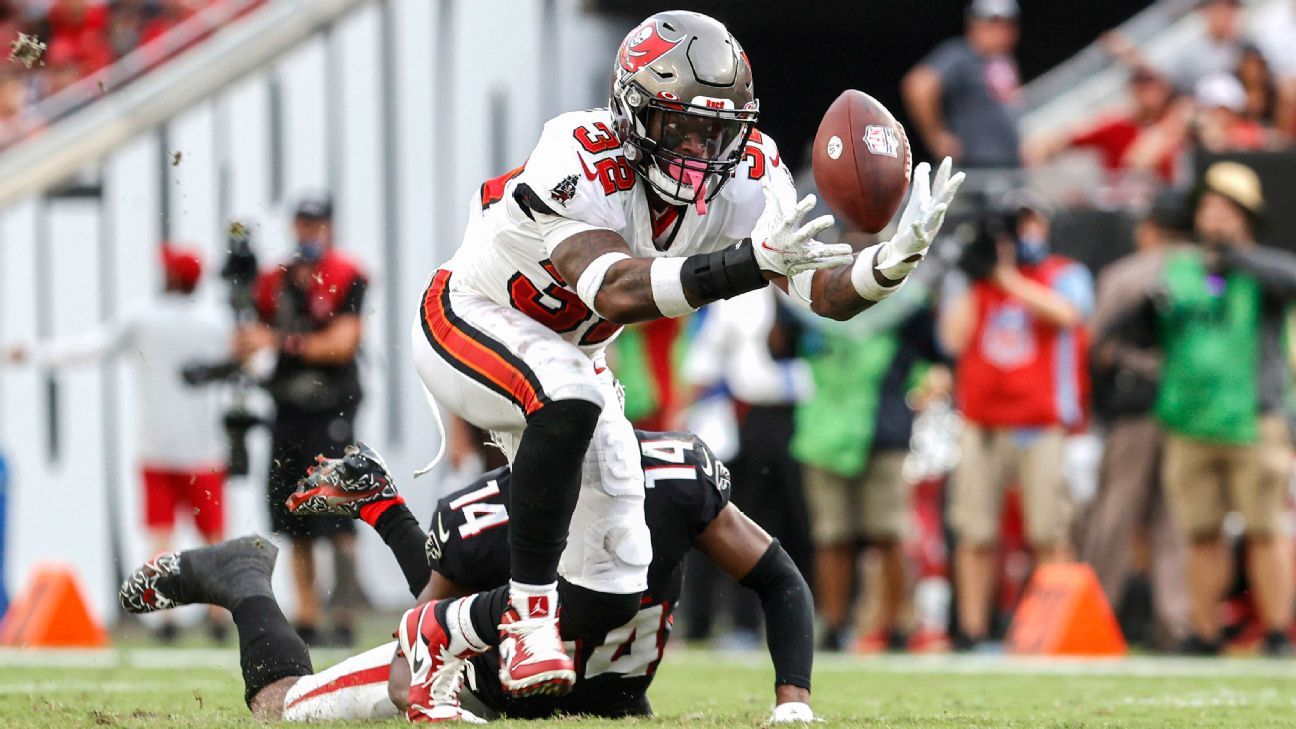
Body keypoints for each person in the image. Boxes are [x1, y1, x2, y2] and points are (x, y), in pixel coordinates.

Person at [410, 8, 962, 702]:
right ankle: (526, 608)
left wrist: (886, 266)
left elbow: (816, 291)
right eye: (682, 126)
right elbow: (614, 290)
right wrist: (746, 261)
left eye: (717, 131)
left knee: (617, 580)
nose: (700, 149)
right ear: (631, 110)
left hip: (573, 359)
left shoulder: (749, 175)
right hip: (470, 318)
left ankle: (435, 633)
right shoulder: (576, 150)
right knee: (568, 393)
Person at [116, 429, 818, 723]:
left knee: (473, 584)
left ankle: (382, 504)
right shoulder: (485, 514)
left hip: (601, 698)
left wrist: (793, 701)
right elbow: (409, 656)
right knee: (281, 707)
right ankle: (240, 577)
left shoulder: (676, 480)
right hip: (481, 692)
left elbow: (781, 579)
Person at [1098, 162, 1295, 655]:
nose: (1216, 216)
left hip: (1252, 416)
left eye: (1227, 208)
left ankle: (1276, 633)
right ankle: (1203, 632)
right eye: (1209, 206)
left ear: (1247, 216)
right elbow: (1130, 331)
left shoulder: (1263, 270)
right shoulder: (1179, 272)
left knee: (1263, 531)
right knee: (1199, 533)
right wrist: (1147, 310)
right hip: (1188, 419)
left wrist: (1236, 258)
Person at [4, 245, 229, 641]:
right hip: (203, 449)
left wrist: (36, 352)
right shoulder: (217, 321)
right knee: (212, 536)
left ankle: (166, 617)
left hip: (157, 446)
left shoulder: (145, 317)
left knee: (161, 534)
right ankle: (219, 615)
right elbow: (254, 362)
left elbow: (91, 346)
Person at [938, 191, 1092, 649]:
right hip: (981, 421)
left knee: (1048, 529)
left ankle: (1052, 631)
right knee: (975, 531)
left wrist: (1006, 278)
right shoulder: (973, 280)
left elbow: (1069, 315)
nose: (1021, 236)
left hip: (1040, 421)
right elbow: (952, 339)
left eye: (1027, 224)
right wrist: (974, 277)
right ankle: (972, 630)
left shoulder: (1064, 274)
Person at [232, 194, 367, 647]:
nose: (308, 232)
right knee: (294, 518)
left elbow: (341, 344)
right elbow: (252, 339)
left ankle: (344, 614)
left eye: (315, 224)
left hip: (331, 410)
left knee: (341, 514)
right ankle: (307, 615)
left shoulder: (347, 274)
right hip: (287, 410)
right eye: (302, 223)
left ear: (327, 226)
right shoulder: (275, 280)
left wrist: (282, 343)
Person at [1083, 190, 1192, 648]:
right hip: (1192, 409)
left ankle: (1094, 615)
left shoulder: (1127, 273)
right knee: (1177, 520)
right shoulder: (1207, 271)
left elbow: (1093, 341)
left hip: (1140, 406)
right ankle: (1181, 624)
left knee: (1116, 511)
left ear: (1147, 228)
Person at [678, 287, 816, 647]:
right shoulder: (737, 295)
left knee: (785, 523)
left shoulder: (805, 290)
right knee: (729, 518)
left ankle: (763, 619)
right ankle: (711, 619)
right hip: (743, 418)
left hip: (799, 418)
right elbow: (704, 363)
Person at [901, 0, 1022, 168]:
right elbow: (918, 85)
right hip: (975, 169)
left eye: (1006, 24)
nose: (999, 31)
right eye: (991, 24)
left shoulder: (1005, 61)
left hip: (1009, 167)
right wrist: (936, 136)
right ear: (973, 25)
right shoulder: (960, 54)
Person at [1024, 65, 1183, 184]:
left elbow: (1139, 161)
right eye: (1142, 87)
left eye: (1153, 86)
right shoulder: (1114, 125)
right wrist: (1041, 149)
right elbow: (1063, 139)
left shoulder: (1177, 122)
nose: (1149, 94)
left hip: (1167, 205)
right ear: (1132, 90)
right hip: (1123, 205)